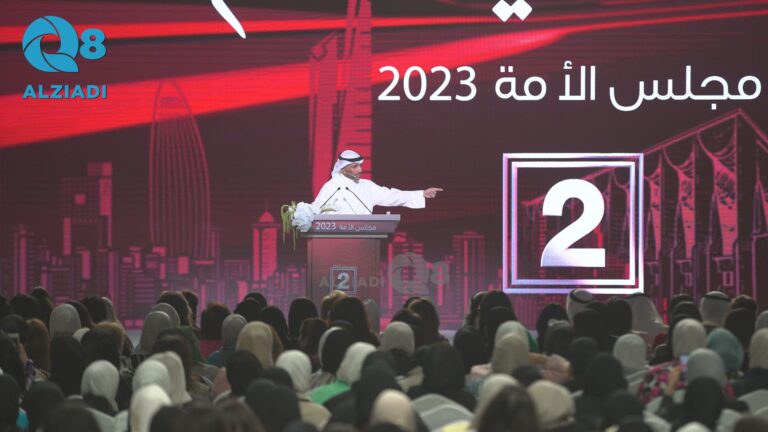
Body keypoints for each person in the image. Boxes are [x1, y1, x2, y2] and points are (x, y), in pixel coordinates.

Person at [312, 150, 442, 214]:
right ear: (343, 168)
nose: (360, 170)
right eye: (355, 167)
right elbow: (314, 210)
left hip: (364, 244)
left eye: (360, 166)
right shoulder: (331, 186)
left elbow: (392, 196)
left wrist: (421, 193)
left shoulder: (367, 186)